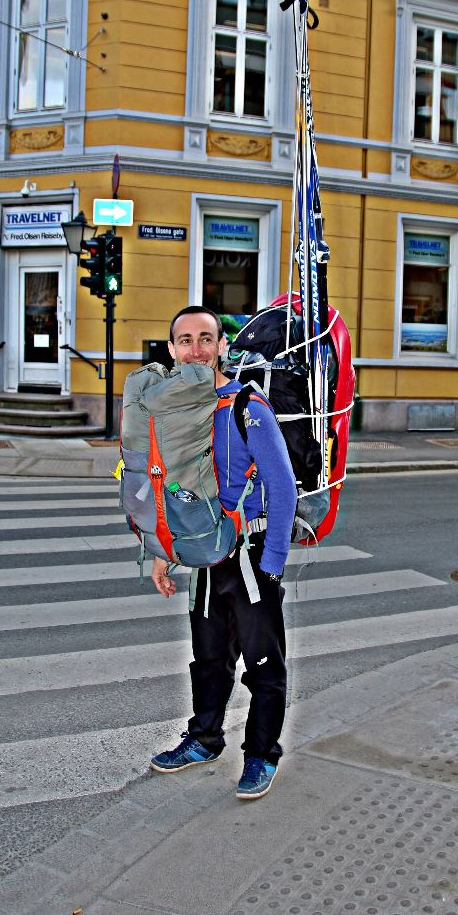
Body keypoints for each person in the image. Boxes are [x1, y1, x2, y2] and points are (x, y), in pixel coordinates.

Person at [149, 305, 297, 800]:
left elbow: (282, 487)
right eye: (185, 340)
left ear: (222, 348)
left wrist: (272, 562)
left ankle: (260, 755)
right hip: (206, 558)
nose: (196, 348)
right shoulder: (172, 414)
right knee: (209, 658)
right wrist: (161, 554)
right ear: (171, 351)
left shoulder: (247, 407)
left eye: (205, 338)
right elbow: (167, 491)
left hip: (252, 555)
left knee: (262, 664)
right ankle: (205, 738)